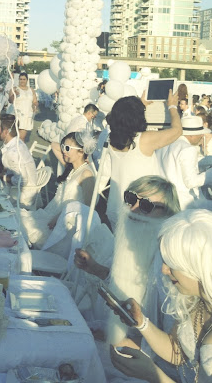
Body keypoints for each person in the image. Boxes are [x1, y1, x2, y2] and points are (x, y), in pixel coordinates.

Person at [74, 176, 180, 345]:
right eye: (131, 199)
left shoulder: (170, 262)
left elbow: (171, 339)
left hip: (146, 356)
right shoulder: (131, 239)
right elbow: (124, 283)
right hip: (123, 334)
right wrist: (93, 268)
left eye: (146, 206)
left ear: (168, 213)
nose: (134, 209)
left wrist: (128, 341)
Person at [110, 209, 212, 383]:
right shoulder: (197, 301)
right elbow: (178, 351)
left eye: (171, 264)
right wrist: (142, 323)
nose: (164, 270)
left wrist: (153, 375)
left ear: (196, 266)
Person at [100, 90, 182, 230]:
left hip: (116, 205)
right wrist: (172, 107)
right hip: (142, 208)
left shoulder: (111, 139)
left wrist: (139, 104)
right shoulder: (144, 139)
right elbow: (177, 131)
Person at [21, 131, 96, 247]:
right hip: (51, 214)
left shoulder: (86, 174)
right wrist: (67, 146)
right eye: (63, 147)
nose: (64, 151)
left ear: (81, 152)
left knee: (24, 226)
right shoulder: (71, 168)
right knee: (19, 217)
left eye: (67, 148)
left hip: (64, 223)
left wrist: (60, 217)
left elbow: (88, 208)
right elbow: (54, 145)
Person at [156, 115, 212, 210]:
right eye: (200, 133)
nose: (202, 136)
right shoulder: (188, 149)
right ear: (191, 135)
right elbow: (191, 182)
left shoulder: (164, 144)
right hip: (184, 205)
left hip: (164, 201)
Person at [0, 114, 38, 209]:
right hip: (20, 187)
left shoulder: (14, 152)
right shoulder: (17, 142)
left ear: (6, 132)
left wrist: (2, 177)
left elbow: (22, 181)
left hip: (23, 194)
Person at [7, 72, 39, 141]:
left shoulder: (31, 90)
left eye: (24, 79)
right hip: (16, 115)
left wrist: (34, 106)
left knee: (22, 138)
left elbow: (35, 101)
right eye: (20, 79)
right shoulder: (14, 89)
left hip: (26, 115)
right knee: (13, 137)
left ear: (27, 80)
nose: (22, 81)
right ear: (18, 80)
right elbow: (10, 100)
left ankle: (21, 151)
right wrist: (14, 94)